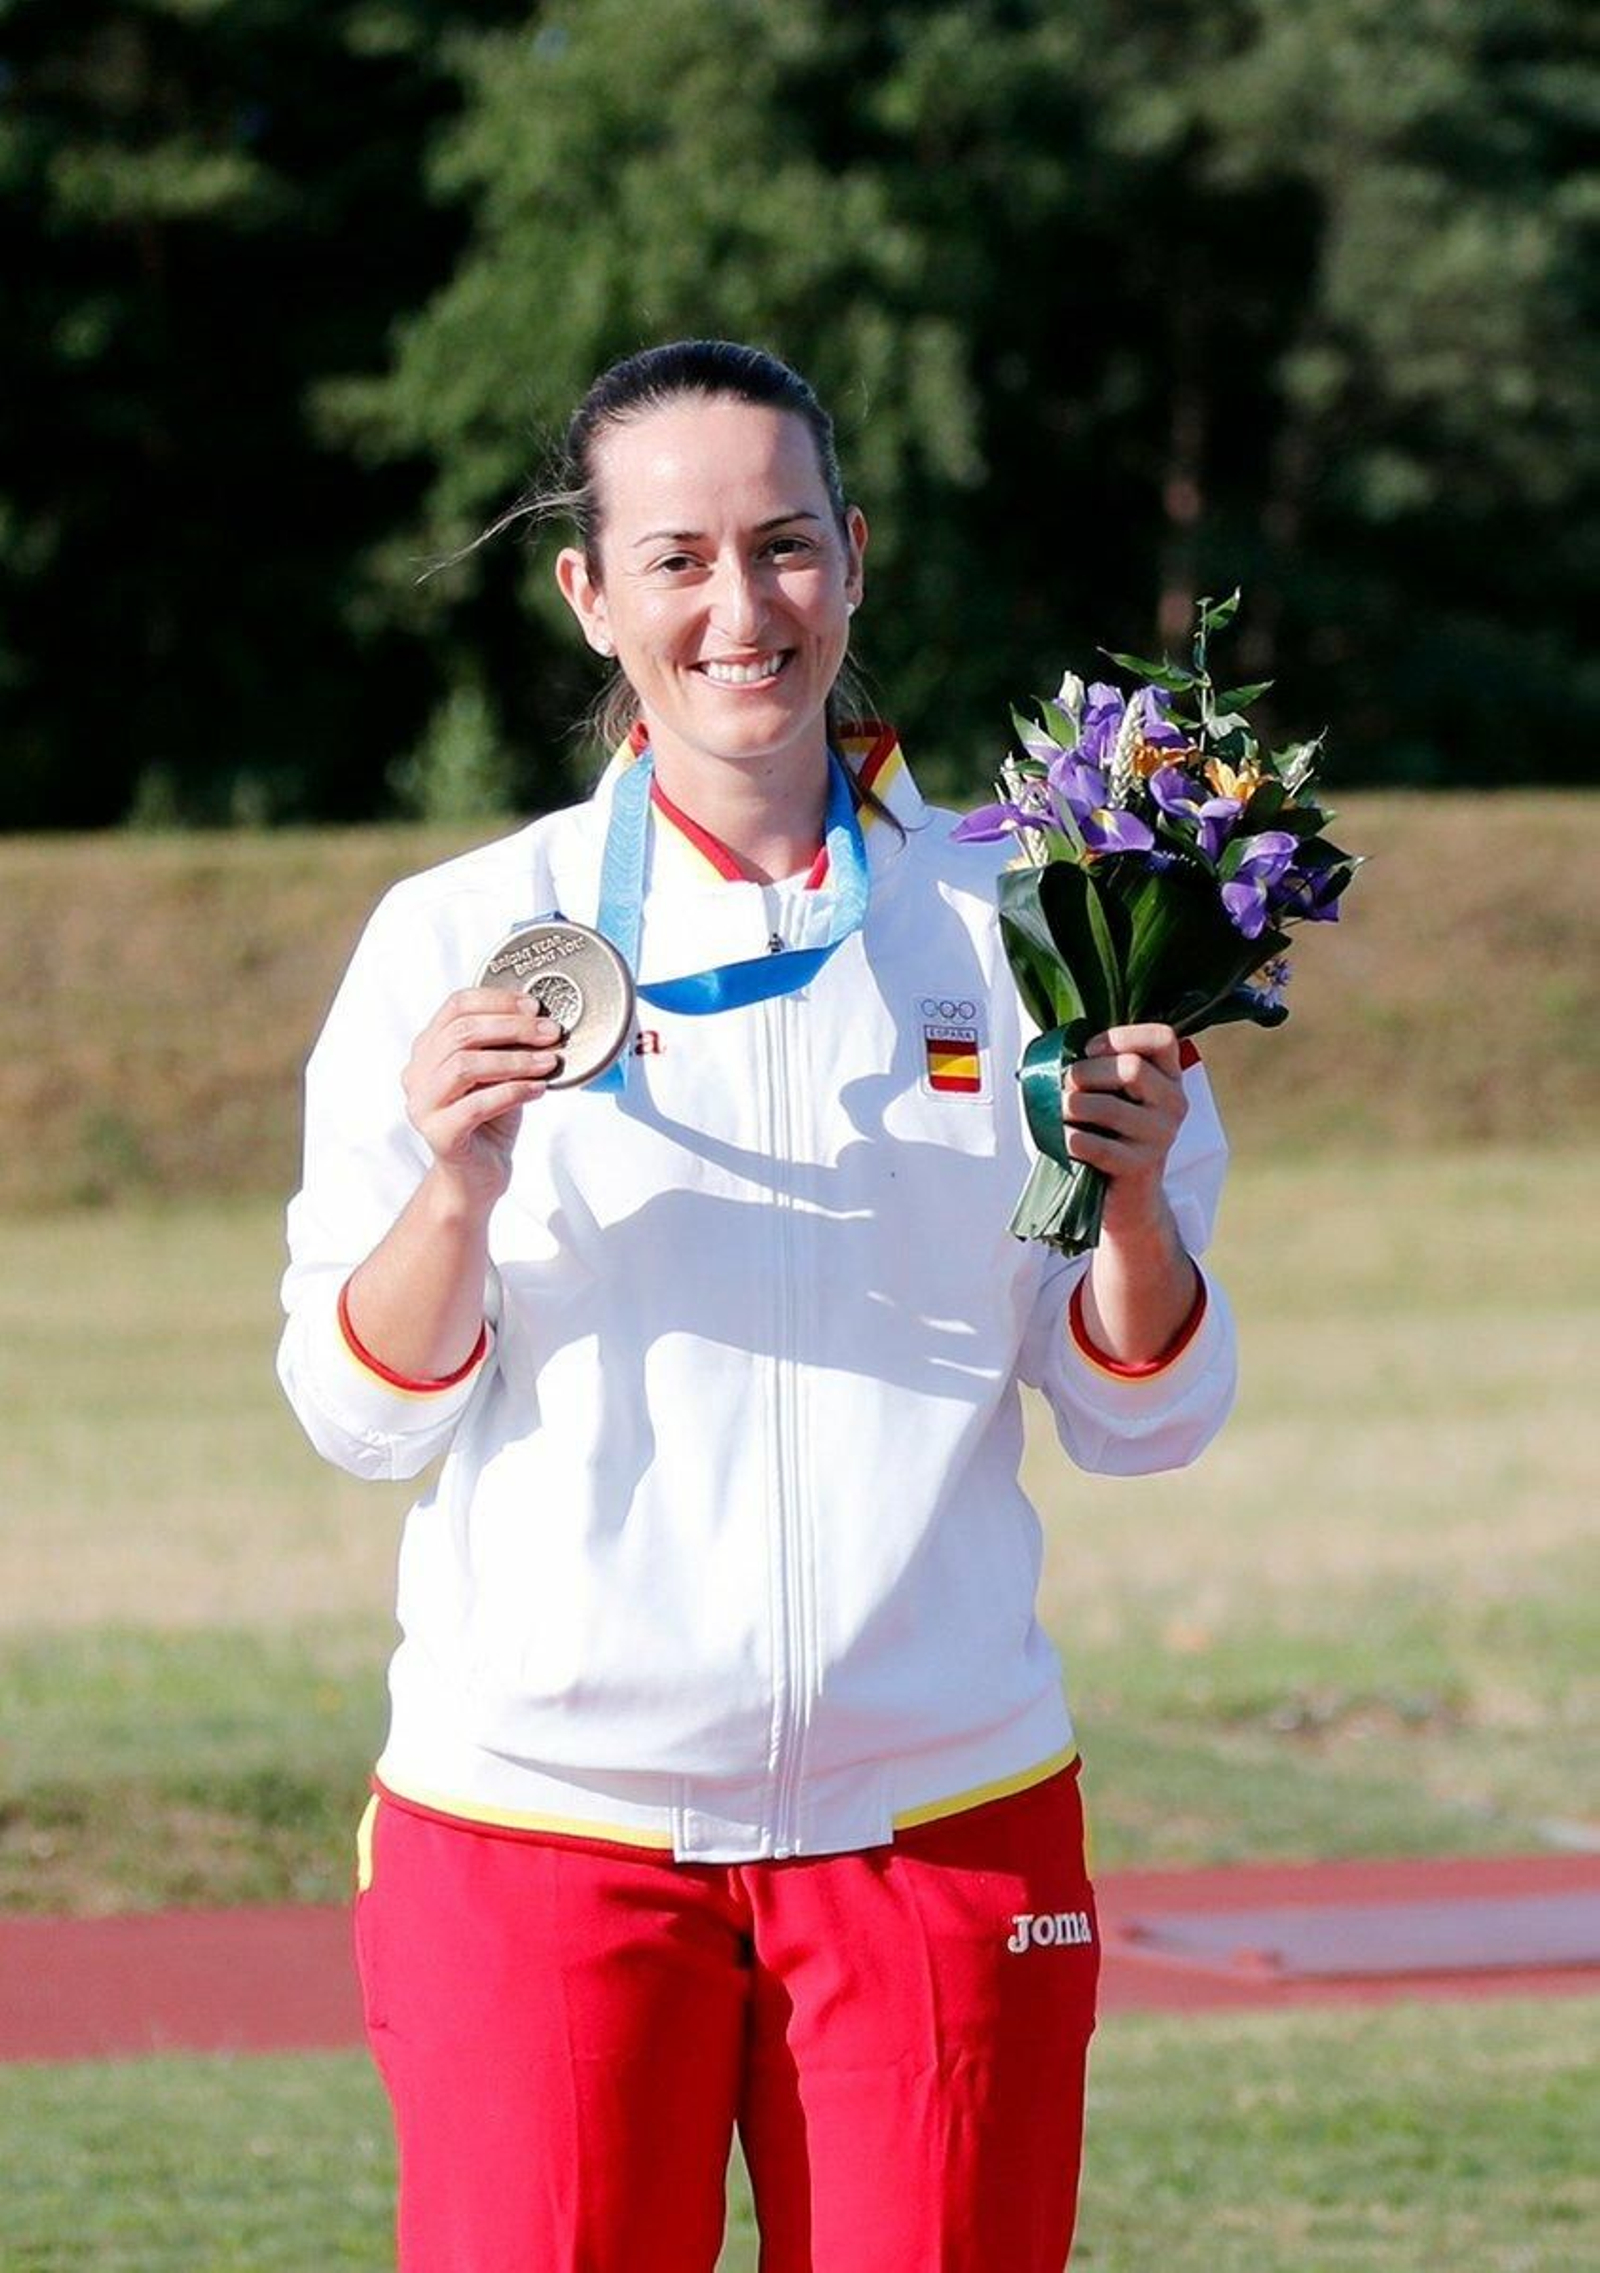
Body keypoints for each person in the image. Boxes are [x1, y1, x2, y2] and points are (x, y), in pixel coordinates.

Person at [277, 338, 1235, 2273]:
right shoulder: (460, 938)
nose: (742, 608)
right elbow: (358, 1407)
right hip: (544, 1828)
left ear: (855, 561)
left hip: (937, 1820)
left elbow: (1142, 1414)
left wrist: (1134, 1203)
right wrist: (457, 1183)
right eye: (681, 558)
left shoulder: (1031, 917)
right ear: (592, 593)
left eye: (786, 547)